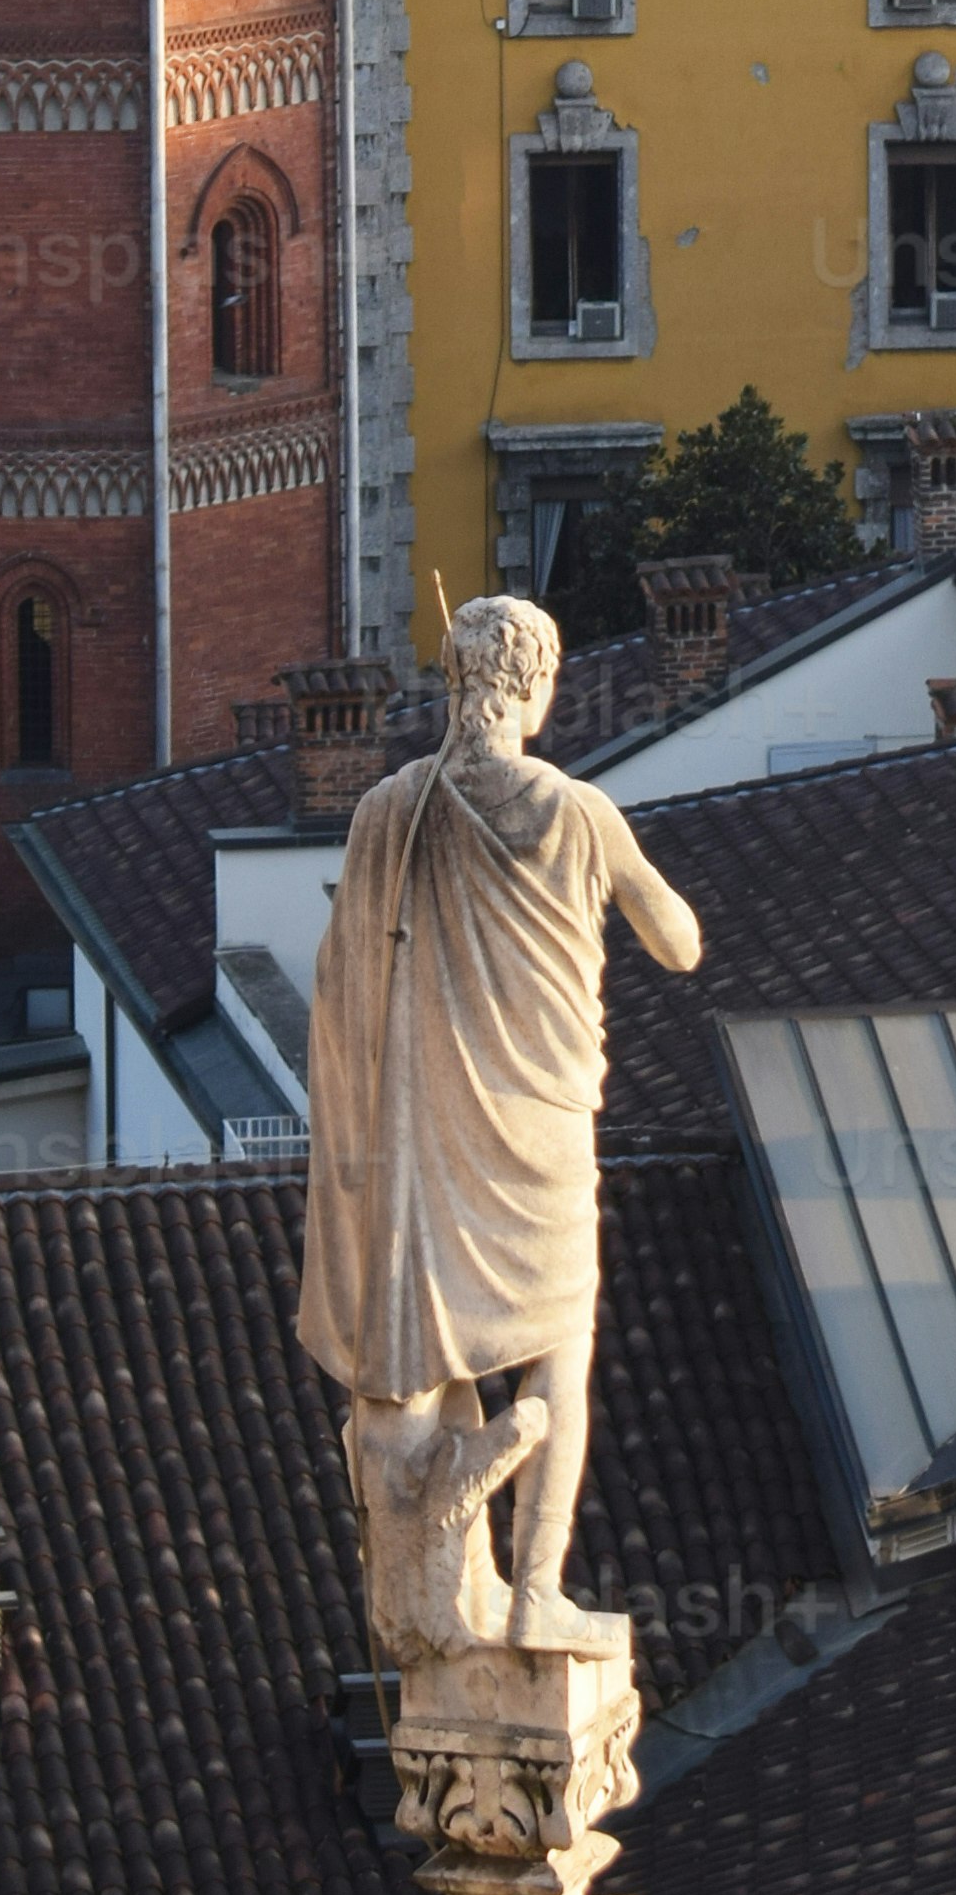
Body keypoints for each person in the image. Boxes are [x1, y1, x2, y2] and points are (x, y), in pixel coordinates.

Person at [298, 589, 704, 1649]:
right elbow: (681, 944)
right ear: (532, 683)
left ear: (454, 683)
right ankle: (532, 1591)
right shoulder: (578, 813)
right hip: (537, 1124)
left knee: (421, 1357)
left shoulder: (388, 808)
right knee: (559, 1345)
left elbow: (337, 981)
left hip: (423, 1134)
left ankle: (422, 1594)